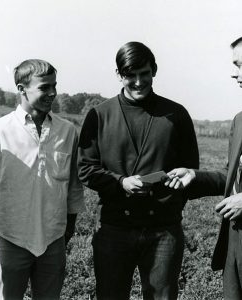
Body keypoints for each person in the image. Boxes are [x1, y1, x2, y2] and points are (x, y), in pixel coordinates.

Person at [77, 41, 199, 300]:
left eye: (144, 73)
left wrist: (171, 202)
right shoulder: (99, 115)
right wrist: (120, 182)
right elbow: (85, 168)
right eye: (130, 75)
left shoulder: (176, 115)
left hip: (164, 231)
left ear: (154, 70)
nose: (138, 81)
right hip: (114, 228)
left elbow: (191, 169)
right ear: (119, 75)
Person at [0, 59, 84, 300]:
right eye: (44, 87)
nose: (52, 93)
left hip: (53, 240)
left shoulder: (67, 131)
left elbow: (74, 184)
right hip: (12, 239)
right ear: (22, 89)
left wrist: (69, 227)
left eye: (54, 86)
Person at [166, 37, 242, 300]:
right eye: (235, 65)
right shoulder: (240, 121)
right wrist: (194, 176)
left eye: (241, 65)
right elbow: (231, 177)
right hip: (235, 243)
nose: (235, 73)